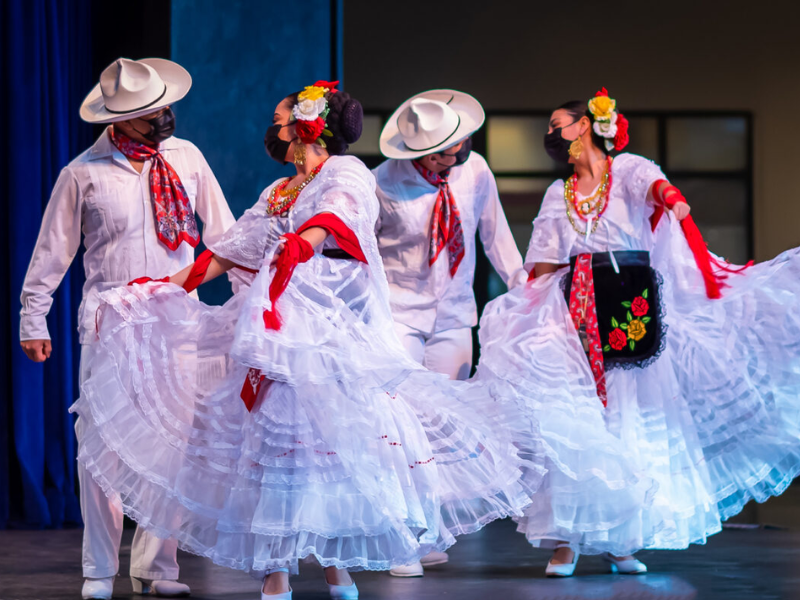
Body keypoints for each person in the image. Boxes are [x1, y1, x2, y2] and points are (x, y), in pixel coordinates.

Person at [71, 81, 537, 600]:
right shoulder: (277, 192)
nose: (273, 127)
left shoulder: (346, 172)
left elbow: (334, 218)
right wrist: (156, 289)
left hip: (323, 330)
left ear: (305, 126)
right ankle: (278, 570)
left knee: (329, 446)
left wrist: (300, 246)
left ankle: (335, 564)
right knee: (279, 447)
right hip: (273, 332)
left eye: (279, 118)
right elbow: (224, 253)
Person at [475, 87, 800, 577]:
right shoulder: (554, 194)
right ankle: (566, 542)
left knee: (628, 425)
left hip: (629, 309)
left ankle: (622, 541)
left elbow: (657, 189)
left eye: (556, 123)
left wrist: (674, 202)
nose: (549, 134)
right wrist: (518, 309)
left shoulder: (627, 169)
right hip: (574, 317)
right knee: (577, 424)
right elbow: (542, 264)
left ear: (584, 125)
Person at [19, 57, 237, 600]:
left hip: (176, 321)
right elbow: (51, 253)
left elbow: (228, 235)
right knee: (101, 450)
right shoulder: (83, 173)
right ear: (118, 120)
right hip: (112, 323)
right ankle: (98, 570)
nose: (163, 116)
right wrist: (32, 316)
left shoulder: (186, 158)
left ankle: (157, 568)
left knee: (173, 445)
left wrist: (247, 307)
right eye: (148, 112)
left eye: (163, 105)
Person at [373, 91, 525, 576]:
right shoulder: (382, 184)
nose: (451, 157)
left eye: (455, 147)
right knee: (400, 428)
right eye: (440, 152)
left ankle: (430, 531)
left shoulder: (475, 170)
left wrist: (524, 291)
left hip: (455, 314)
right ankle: (402, 540)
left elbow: (495, 234)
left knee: (443, 428)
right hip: (400, 314)